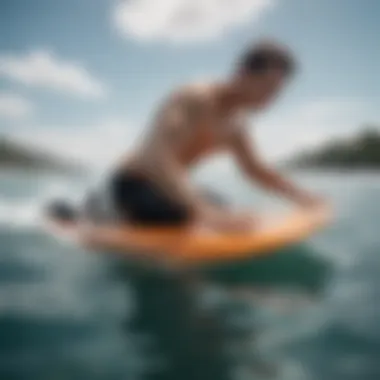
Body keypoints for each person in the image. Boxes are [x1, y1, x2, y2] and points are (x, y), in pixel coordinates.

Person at [107, 40, 324, 231]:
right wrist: (203, 212)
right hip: (134, 182)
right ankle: (112, 215)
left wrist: (301, 197)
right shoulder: (194, 98)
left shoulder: (236, 125)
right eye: (267, 87)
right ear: (243, 73)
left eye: (277, 92)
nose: (271, 99)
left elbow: (257, 171)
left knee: (229, 211)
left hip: (170, 188)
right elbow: (158, 157)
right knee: (187, 217)